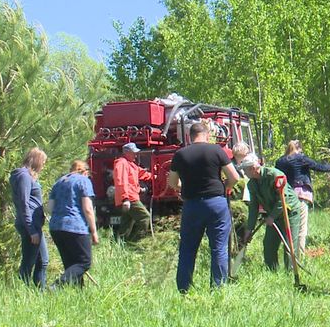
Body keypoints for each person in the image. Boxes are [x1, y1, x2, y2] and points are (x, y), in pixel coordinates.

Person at [167, 122, 240, 291]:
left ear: (189, 136)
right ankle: (218, 288)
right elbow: (234, 177)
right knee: (219, 247)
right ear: (207, 135)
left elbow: (172, 182)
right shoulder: (216, 150)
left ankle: (184, 289)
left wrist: (183, 188)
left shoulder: (180, 154)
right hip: (216, 204)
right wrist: (226, 186)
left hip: (192, 205)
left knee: (187, 248)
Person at [238, 153, 306, 271]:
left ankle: (291, 273)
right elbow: (253, 207)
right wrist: (249, 229)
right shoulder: (252, 184)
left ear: (253, 169)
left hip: (289, 212)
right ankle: (272, 271)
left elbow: (283, 200)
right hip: (273, 216)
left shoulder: (274, 175)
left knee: (289, 246)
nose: (244, 173)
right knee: (269, 244)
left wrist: (272, 217)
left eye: (245, 170)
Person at [275, 140, 330, 254]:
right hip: (300, 195)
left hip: (285, 196)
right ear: (299, 149)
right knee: (301, 228)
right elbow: (318, 166)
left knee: (288, 226)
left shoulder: (280, 161)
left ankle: (288, 254)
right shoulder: (301, 158)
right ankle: (299, 255)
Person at [47, 160, 99, 286]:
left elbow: (49, 208)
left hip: (56, 227)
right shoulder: (83, 181)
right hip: (75, 226)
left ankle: (78, 294)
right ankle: (57, 285)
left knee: (71, 265)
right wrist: (94, 231)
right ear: (85, 172)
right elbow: (88, 209)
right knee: (84, 262)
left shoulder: (58, 182)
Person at [9, 148, 49, 288]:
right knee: (28, 262)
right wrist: (31, 230)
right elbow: (23, 204)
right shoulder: (24, 176)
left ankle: (40, 292)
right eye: (42, 162)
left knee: (42, 260)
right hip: (29, 225)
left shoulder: (27, 177)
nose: (43, 166)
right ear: (36, 161)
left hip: (34, 224)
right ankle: (23, 292)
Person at [113, 142, 152, 241]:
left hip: (129, 198)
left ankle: (121, 247)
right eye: (133, 152)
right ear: (126, 153)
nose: (136, 155)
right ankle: (135, 243)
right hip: (129, 198)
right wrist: (125, 199)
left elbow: (142, 173)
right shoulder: (121, 163)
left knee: (126, 225)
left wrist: (155, 176)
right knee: (145, 218)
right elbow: (121, 181)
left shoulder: (131, 165)